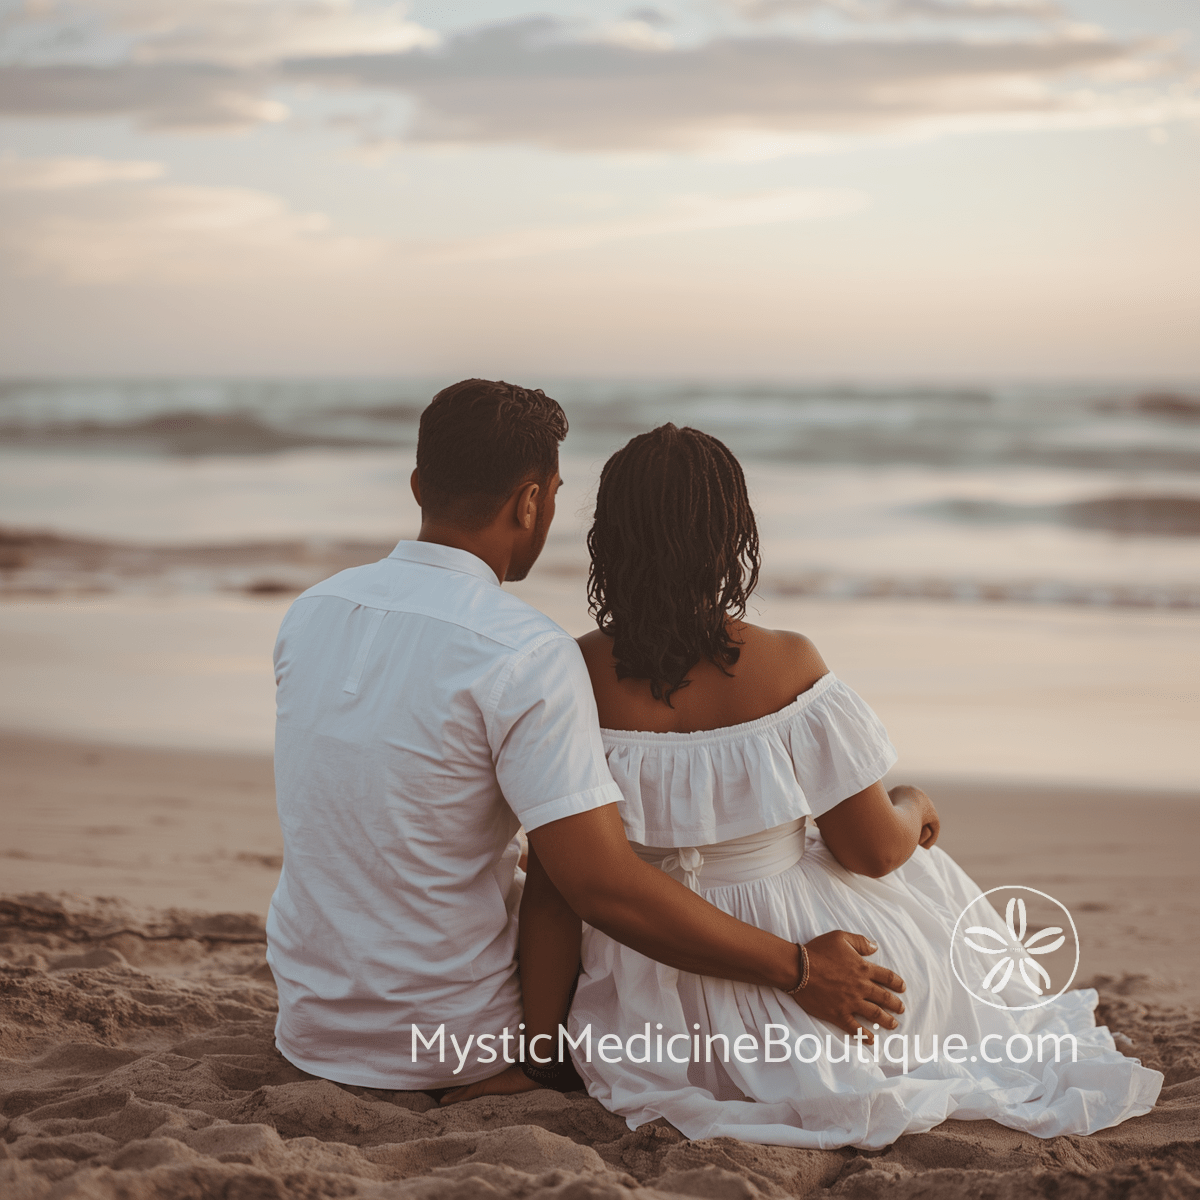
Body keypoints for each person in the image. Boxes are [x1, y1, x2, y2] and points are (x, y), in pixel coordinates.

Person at [497, 423, 1162, 1146]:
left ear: (609, 541)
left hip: (650, 993)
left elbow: (558, 891)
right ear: (731, 538)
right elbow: (869, 852)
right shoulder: (787, 665)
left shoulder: (574, 676)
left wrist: (545, 1047)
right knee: (924, 878)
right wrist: (913, 807)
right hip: (800, 953)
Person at [265, 380, 907, 1093]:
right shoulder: (523, 653)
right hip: (449, 1044)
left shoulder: (311, 611)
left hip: (310, 1027)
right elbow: (595, 886)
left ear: (419, 484)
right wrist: (801, 968)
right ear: (531, 502)